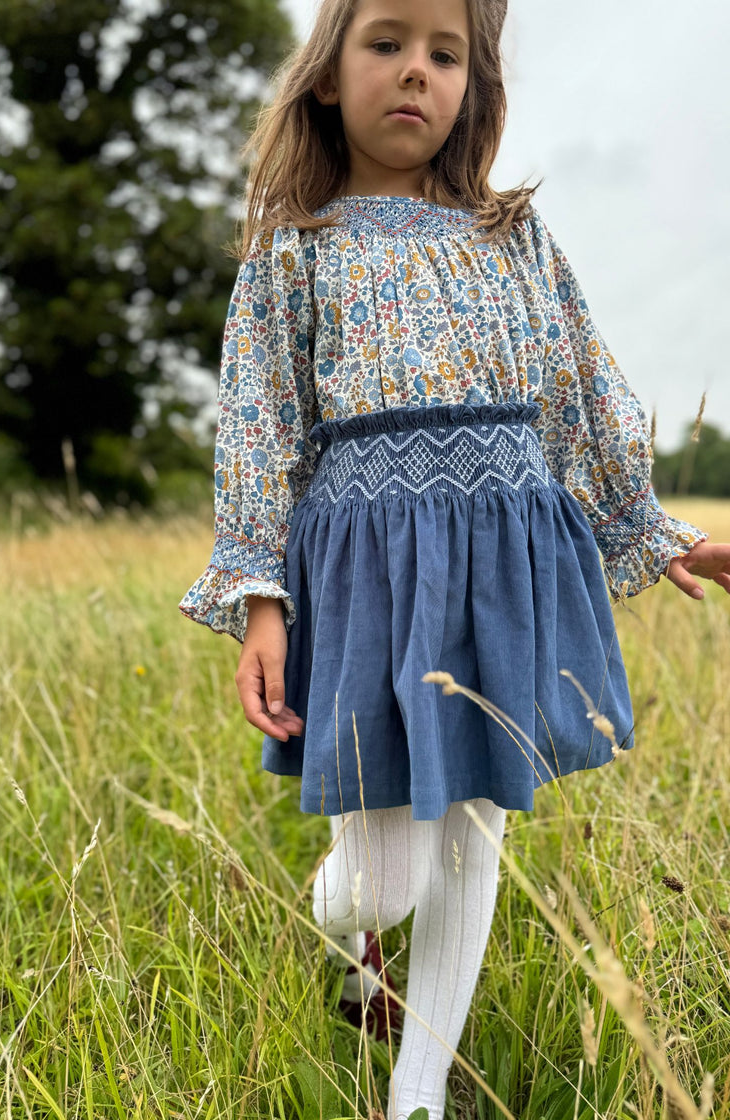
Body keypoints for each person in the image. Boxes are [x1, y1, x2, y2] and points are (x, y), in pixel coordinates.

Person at [180, 0, 730, 1115]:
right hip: (368, 570)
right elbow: (256, 427)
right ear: (327, 75)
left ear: (471, 88)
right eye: (387, 43)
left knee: (473, 826)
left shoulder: (508, 235)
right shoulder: (295, 251)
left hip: (501, 556)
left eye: (446, 55)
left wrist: (651, 524)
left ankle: (416, 1092)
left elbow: (578, 387)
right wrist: (260, 602)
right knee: (382, 880)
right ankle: (346, 936)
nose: (416, 74)